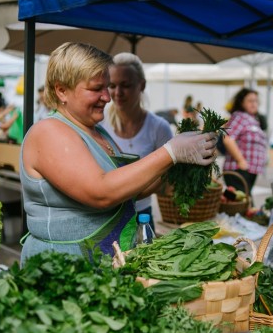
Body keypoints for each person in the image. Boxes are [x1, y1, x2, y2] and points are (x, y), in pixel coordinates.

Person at [20, 42, 217, 264]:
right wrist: (170, 152)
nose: (107, 97)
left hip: (103, 265)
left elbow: (127, 189)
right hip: (63, 268)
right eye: (96, 89)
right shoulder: (49, 132)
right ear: (62, 90)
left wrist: (180, 165)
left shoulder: (97, 132)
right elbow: (101, 192)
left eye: (107, 87)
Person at [101, 52, 173, 228]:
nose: (117, 93)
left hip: (142, 216)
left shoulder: (159, 127)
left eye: (125, 85)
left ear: (142, 85)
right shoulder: (100, 124)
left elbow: (168, 178)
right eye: (112, 85)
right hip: (105, 216)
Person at [222, 87, 267, 194]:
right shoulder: (240, 117)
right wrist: (241, 160)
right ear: (241, 102)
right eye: (250, 101)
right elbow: (228, 139)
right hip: (239, 169)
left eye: (256, 101)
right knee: (243, 204)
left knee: (243, 203)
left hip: (249, 170)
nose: (254, 104)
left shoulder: (252, 119)